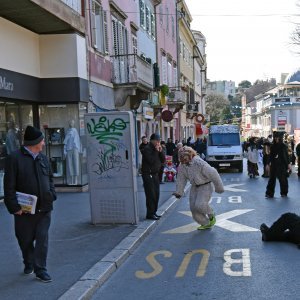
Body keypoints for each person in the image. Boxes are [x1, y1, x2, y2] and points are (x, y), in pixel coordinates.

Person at [4, 125, 57, 283]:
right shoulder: (14, 158)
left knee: (42, 239)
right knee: (24, 239)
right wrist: (14, 207)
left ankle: (40, 269)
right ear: (35, 142)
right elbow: (9, 185)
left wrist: (52, 193)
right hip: (24, 210)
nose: (43, 144)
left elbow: (50, 178)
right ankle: (28, 261)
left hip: (44, 208)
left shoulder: (43, 158)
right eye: (42, 141)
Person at [173, 146, 224, 230]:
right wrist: (179, 192)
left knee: (200, 205)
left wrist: (219, 187)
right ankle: (205, 223)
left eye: (186, 159)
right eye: (183, 160)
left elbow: (213, 173)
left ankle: (211, 214)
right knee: (193, 208)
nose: (185, 162)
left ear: (190, 155)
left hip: (205, 185)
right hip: (194, 186)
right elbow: (181, 179)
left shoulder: (199, 163)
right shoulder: (182, 165)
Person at [141, 133, 165, 220]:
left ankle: (154, 212)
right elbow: (151, 160)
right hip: (148, 174)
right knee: (151, 195)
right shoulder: (147, 149)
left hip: (155, 174)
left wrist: (160, 151)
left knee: (156, 194)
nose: (158, 142)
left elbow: (163, 159)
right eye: (157, 141)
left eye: (159, 141)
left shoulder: (157, 148)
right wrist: (155, 151)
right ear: (152, 140)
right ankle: (150, 214)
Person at [265, 131, 291, 198]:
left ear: (281, 138)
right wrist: (267, 164)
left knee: (283, 180)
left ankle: (284, 193)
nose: (276, 139)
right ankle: (269, 193)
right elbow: (270, 156)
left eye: (278, 138)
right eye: (275, 138)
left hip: (282, 165)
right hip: (274, 165)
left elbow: (286, 156)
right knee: (272, 179)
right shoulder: (272, 146)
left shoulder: (284, 146)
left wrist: (288, 164)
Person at [64, 120, 81, 185]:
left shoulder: (75, 131)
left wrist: (78, 149)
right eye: (70, 122)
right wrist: (65, 150)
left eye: (72, 123)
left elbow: (77, 141)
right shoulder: (68, 131)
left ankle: (75, 180)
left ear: (74, 124)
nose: (71, 123)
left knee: (76, 163)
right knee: (70, 164)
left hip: (75, 149)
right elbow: (65, 142)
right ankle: (71, 180)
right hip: (69, 149)